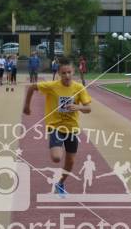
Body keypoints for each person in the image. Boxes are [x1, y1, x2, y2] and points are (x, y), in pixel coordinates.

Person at [23, 57, 91, 196]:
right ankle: (55, 145)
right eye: (64, 73)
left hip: (72, 128)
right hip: (55, 126)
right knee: (56, 158)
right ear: (59, 74)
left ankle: (60, 183)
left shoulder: (79, 88)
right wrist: (26, 106)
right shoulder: (52, 86)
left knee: (70, 162)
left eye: (69, 72)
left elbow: (88, 108)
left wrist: (77, 106)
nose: (67, 75)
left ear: (73, 72)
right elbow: (31, 87)